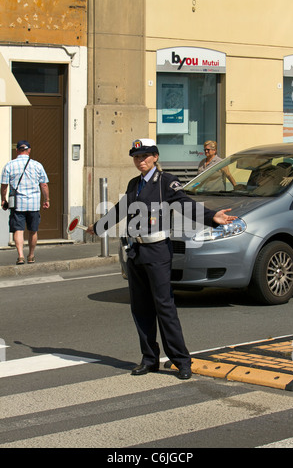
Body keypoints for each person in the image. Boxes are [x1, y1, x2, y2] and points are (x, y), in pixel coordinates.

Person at [87, 138, 237, 380]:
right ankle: (149, 359)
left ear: (155, 157)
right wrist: (98, 226)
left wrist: (212, 217)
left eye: (145, 156)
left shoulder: (166, 182)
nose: (140, 161)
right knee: (141, 308)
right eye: (136, 157)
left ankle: (181, 360)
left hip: (157, 251)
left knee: (164, 307)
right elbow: (122, 208)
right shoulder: (134, 183)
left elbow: (185, 205)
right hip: (135, 251)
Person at [1, 140, 50, 265]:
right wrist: (46, 200)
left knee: (18, 230)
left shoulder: (9, 165)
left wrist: (3, 199)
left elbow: (4, 185)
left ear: (17, 150)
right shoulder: (37, 165)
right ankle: (31, 255)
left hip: (17, 204)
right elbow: (44, 184)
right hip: (33, 204)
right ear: (29, 150)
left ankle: (21, 256)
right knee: (33, 230)